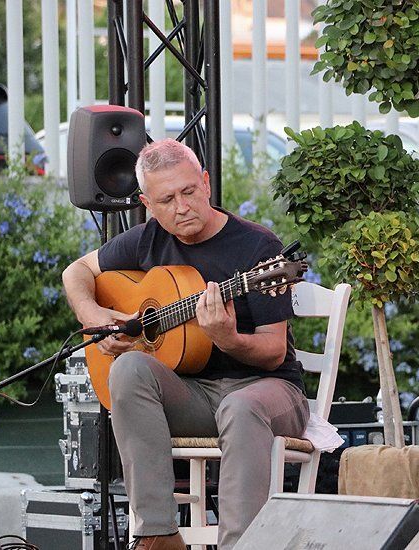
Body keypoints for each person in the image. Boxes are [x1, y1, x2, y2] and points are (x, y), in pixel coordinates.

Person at [61, 139, 309, 550]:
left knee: (240, 406)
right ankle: (158, 534)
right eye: (167, 199)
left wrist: (227, 338)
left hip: (265, 392)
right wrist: (93, 314)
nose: (181, 207)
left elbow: (274, 352)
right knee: (128, 368)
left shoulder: (258, 249)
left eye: (189, 191)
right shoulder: (147, 240)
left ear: (206, 183)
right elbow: (78, 272)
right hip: (193, 396)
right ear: (146, 203)